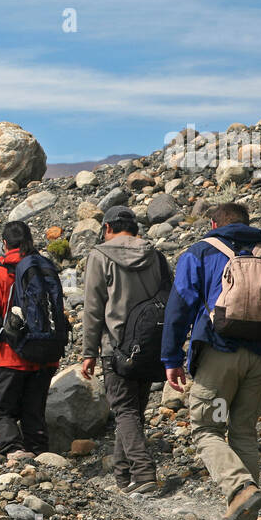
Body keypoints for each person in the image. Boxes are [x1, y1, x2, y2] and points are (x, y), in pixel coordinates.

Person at [161, 201, 261, 520]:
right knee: (243, 432)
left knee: (207, 429)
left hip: (218, 353)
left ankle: (241, 490)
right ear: (247, 222)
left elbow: (179, 306)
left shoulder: (200, 252)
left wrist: (171, 358)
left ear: (213, 224)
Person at [80, 206, 173, 495]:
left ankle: (144, 473)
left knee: (124, 409)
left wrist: (88, 352)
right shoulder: (155, 255)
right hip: (150, 344)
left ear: (107, 228)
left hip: (116, 347)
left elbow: (93, 309)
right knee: (133, 411)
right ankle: (124, 477)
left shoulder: (100, 256)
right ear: (134, 228)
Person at [0, 220, 61, 462]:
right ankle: (41, 452)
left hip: (9, 356)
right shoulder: (44, 269)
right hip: (44, 354)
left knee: (4, 411)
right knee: (34, 410)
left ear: (4, 244)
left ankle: (14, 450)